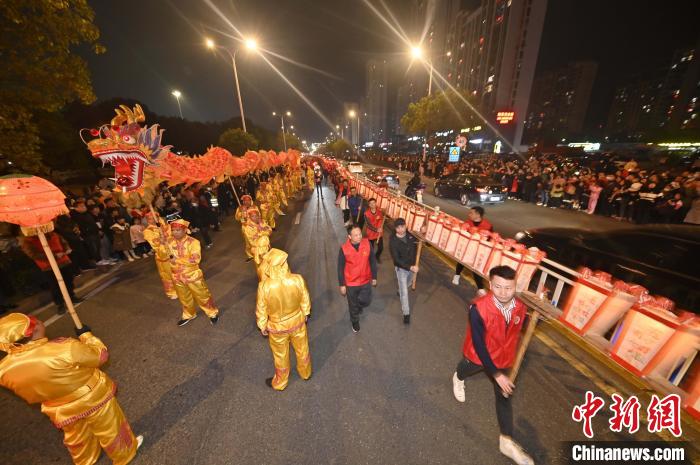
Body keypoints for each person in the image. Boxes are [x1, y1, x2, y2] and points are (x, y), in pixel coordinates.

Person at [0, 313, 143, 464]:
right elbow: (100, 356)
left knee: (77, 436)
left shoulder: (4, 370)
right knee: (109, 427)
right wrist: (87, 336)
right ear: (34, 330)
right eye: (39, 322)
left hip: (58, 408)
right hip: (92, 398)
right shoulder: (64, 348)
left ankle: (85, 460)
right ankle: (124, 454)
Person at [451, 266, 533, 465]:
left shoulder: (521, 306)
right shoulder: (478, 308)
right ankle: (457, 378)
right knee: (465, 370)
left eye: (508, 288)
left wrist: (537, 317)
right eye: (498, 287)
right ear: (490, 284)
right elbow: (479, 345)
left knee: (504, 397)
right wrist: (496, 374)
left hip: (504, 358)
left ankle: (506, 441)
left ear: (516, 286)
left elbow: (524, 325)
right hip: (479, 355)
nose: (503, 293)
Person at [256, 249, 312, 391]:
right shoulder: (297, 279)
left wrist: (262, 325)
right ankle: (305, 373)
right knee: (302, 349)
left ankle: (281, 382)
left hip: (277, 327)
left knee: (280, 355)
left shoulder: (264, 286)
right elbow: (305, 298)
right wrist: (305, 312)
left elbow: (261, 308)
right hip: (297, 322)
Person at [168, 219, 220, 327]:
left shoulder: (193, 242)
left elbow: (195, 259)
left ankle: (212, 313)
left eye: (178, 230)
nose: (175, 232)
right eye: (173, 230)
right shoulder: (169, 241)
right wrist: (162, 246)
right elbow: (164, 255)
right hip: (177, 276)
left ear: (185, 230)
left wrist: (177, 260)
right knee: (184, 297)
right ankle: (189, 314)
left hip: (192, 276)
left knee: (203, 296)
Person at [21, 231, 83, 315]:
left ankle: (71, 297)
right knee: (55, 286)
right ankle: (60, 304)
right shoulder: (28, 241)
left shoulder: (53, 233)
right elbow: (33, 254)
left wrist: (67, 248)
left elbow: (63, 242)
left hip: (63, 261)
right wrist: (54, 255)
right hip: (48, 266)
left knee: (68, 280)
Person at [337, 224, 377, 332]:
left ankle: (359, 305)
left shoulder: (367, 243)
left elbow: (372, 261)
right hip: (351, 283)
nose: (359, 237)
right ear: (349, 237)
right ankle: (355, 322)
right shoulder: (344, 249)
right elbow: (340, 268)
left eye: (360, 234)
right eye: (356, 235)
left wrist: (374, 276)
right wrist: (342, 284)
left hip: (365, 280)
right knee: (352, 304)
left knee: (366, 300)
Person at [452, 206, 493, 294]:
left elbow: (490, 240)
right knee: (461, 261)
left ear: (478, 215)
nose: (469, 214)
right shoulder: (467, 222)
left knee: (476, 268)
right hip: (467, 248)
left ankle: (480, 288)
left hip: (479, 251)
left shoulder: (488, 226)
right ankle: (457, 275)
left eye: (471, 213)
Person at [389, 218, 419, 324]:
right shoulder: (393, 242)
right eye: (398, 228)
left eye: (403, 226)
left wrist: (423, 232)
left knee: (409, 283)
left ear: (406, 226)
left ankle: (400, 290)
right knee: (405, 292)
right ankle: (406, 313)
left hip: (412, 266)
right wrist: (410, 267)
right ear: (395, 229)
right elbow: (396, 260)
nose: (401, 229)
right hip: (401, 268)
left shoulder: (411, 235)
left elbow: (422, 242)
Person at [143, 213, 178, 300]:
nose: (154, 220)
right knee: (167, 275)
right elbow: (154, 243)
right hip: (163, 256)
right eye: (151, 219)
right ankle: (171, 292)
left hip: (175, 252)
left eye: (155, 218)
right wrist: (160, 240)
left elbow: (174, 235)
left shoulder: (166, 226)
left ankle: (182, 287)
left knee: (179, 271)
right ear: (148, 220)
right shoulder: (148, 231)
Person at [363, 198, 384, 262]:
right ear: (369, 205)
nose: (372, 204)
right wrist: (376, 229)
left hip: (379, 233)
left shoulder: (379, 212)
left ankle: (377, 256)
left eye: (374, 203)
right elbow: (368, 225)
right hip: (371, 233)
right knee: (371, 248)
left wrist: (380, 228)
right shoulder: (366, 213)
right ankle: (371, 259)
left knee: (381, 248)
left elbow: (381, 220)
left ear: (376, 203)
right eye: (371, 203)